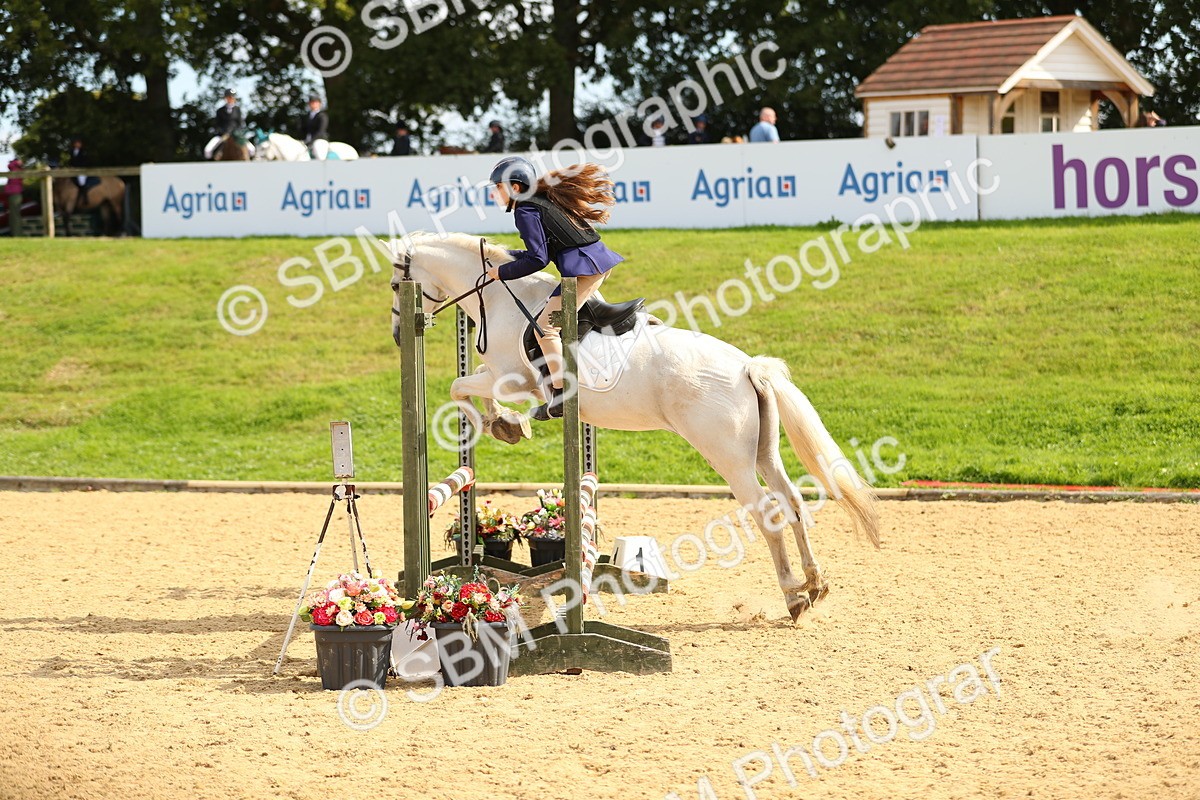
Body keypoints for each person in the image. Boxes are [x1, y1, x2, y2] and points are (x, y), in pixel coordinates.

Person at [485, 156, 624, 420]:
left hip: (585, 272)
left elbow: (538, 260)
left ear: (515, 187)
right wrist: (506, 256)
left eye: (499, 187)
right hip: (591, 265)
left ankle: (562, 394)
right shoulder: (537, 202)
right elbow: (541, 251)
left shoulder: (525, 210)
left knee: (545, 328)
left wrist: (501, 272)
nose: (495, 193)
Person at [67, 136, 93, 204]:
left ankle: (85, 197)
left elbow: (85, 162)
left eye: (79, 143)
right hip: (73, 170)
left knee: (82, 182)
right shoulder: (72, 152)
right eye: (76, 143)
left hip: (82, 170)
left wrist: (78, 167)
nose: (77, 144)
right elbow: (71, 161)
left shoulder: (84, 152)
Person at [302, 95, 330, 160]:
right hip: (307, 140)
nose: (313, 104)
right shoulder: (307, 116)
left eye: (315, 102)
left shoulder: (322, 115)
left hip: (319, 139)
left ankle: (322, 165)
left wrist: (311, 141)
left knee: (318, 152)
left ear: (319, 104)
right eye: (312, 102)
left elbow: (321, 131)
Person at [5, 157, 23, 236]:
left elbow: (9, 166)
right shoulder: (16, 168)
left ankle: (16, 234)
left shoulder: (15, 169)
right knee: (15, 215)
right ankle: (16, 233)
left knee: (14, 215)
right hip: (15, 194)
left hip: (14, 194)